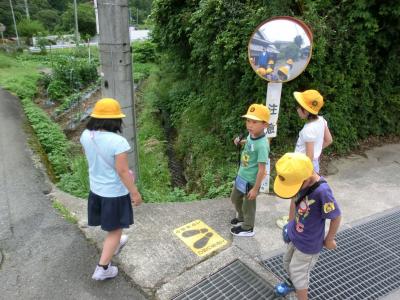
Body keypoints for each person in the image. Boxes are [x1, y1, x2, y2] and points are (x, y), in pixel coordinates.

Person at [80, 98, 142, 280]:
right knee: (115, 229)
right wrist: (135, 192)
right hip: (114, 193)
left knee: (111, 225)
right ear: (115, 120)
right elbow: (122, 171)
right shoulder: (118, 141)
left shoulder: (86, 135)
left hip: (97, 189)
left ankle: (115, 244)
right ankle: (103, 268)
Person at [273, 152, 341, 299]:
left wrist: (329, 239)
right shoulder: (299, 182)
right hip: (295, 234)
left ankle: (300, 292)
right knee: (287, 263)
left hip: (309, 243)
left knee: (299, 274)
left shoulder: (322, 191)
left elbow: (336, 216)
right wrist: (290, 223)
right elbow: (294, 200)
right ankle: (292, 283)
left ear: (307, 178)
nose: (294, 190)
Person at [230, 104, 270, 237]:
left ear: (264, 124)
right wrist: (240, 142)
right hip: (242, 175)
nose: (250, 125)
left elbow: (261, 170)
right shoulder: (251, 135)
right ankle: (241, 217)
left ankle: (248, 227)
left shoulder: (263, 145)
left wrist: (255, 189)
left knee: (249, 205)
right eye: (248, 121)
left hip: (251, 181)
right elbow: (248, 143)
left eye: (254, 122)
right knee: (235, 198)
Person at [294, 89, 333, 173]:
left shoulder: (308, 130)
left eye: (298, 107)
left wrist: (306, 172)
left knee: (305, 186)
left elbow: (309, 157)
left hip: (304, 166)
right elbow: (329, 140)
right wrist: (317, 149)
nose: (297, 110)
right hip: (314, 164)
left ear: (306, 110)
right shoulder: (322, 120)